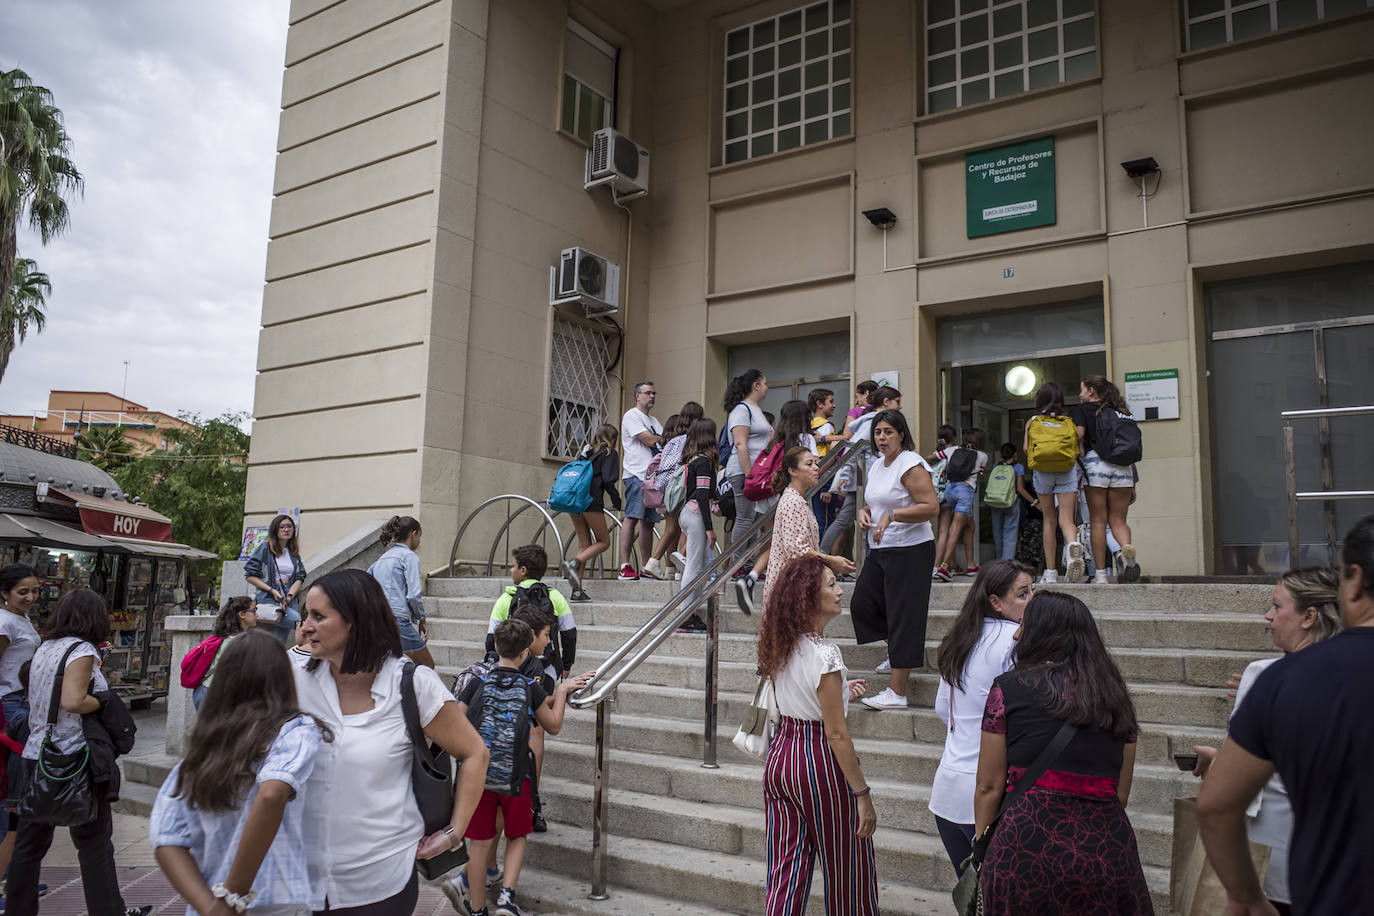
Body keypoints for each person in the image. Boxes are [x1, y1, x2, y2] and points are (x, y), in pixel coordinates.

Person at [1197, 514, 1374, 916]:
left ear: (1357, 578)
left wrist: (1246, 896)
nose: (1268, 616)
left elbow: (1216, 805)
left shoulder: (1286, 679)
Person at [293, 569, 490, 914]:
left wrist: (455, 831)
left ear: (355, 620)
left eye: (318, 616)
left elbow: (475, 753)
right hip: (299, 878)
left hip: (382, 882)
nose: (305, 626)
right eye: (305, 615)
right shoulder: (292, 677)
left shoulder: (412, 684)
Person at [973, 591, 1152, 915]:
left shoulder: (1007, 688)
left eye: (1024, 624)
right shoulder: (1116, 697)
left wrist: (981, 848)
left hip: (1025, 847)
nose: (1015, 633)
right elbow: (1121, 793)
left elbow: (988, 786)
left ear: (1042, 633)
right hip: (1105, 849)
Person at [1189, 567, 1342, 915]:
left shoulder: (1276, 676)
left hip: (1293, 845)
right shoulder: (1261, 672)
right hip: (1260, 842)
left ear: (1309, 616)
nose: (1268, 615)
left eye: (1276, 606)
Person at [151, 629, 330, 916]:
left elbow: (167, 838)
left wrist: (210, 907)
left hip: (209, 904)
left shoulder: (203, 748)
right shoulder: (295, 732)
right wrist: (231, 897)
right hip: (275, 903)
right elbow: (272, 793)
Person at [6, 590, 154, 916]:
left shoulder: (45, 648)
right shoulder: (81, 650)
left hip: (37, 755)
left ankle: (19, 910)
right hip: (74, 758)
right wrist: (102, 701)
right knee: (94, 845)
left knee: (30, 846)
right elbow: (73, 701)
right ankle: (108, 911)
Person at [758, 555, 877, 915]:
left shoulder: (781, 645)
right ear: (808, 597)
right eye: (831, 585)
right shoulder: (825, 653)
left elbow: (802, 695)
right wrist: (862, 793)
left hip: (781, 758)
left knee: (785, 872)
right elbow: (836, 734)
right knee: (849, 870)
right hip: (818, 762)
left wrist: (843, 692)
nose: (840, 591)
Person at [455, 619, 594, 916]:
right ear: (525, 654)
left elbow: (456, 724)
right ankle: (506, 898)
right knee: (516, 835)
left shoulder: (477, 682)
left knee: (479, 844)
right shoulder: (529, 686)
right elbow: (553, 726)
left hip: (480, 776)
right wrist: (563, 690)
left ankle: (478, 909)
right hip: (517, 776)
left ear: (495, 646)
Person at [929, 560, 1031, 872]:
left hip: (947, 791)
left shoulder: (961, 638)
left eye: (1032, 591)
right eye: (1023, 594)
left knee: (973, 898)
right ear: (996, 602)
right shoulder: (1016, 641)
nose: (1032, 601)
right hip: (989, 798)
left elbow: (941, 709)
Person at [852, 409, 940, 711]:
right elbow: (871, 502)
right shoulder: (877, 465)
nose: (881, 437)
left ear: (901, 434)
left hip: (911, 550)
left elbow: (931, 507)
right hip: (881, 549)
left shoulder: (911, 464)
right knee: (862, 604)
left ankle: (897, 692)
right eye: (878, 432)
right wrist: (864, 513)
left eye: (888, 431)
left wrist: (893, 516)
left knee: (904, 617)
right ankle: (897, 650)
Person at [736, 399, 817, 614]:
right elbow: (816, 465)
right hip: (788, 496)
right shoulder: (805, 440)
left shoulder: (774, 441)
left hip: (768, 495)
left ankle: (754, 578)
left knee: (772, 541)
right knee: (786, 543)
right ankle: (757, 578)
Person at [760, 447, 854, 610]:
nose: (816, 468)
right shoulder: (793, 502)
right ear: (792, 471)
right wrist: (832, 560)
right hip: (788, 590)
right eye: (809, 464)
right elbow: (796, 549)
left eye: (816, 463)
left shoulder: (796, 500)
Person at [819, 386, 902, 557]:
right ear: (886, 402)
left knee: (851, 519)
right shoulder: (873, 422)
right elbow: (853, 449)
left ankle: (824, 553)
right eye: (898, 402)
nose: (900, 406)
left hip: (864, 480)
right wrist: (845, 475)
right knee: (865, 518)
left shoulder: (872, 421)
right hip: (865, 481)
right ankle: (825, 553)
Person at [1075, 375, 1141, 583]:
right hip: (1124, 470)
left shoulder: (1084, 411)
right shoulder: (1123, 412)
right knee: (1119, 521)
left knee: (1097, 521)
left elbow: (1078, 435)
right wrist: (1133, 484)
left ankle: (1101, 575)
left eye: (1082, 389)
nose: (1080, 394)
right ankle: (1125, 551)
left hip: (1096, 466)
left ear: (1092, 391)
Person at [0, 564, 40, 885]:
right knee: (11, 794)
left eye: (34, 591)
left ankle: (14, 876)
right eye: (22, 591)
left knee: (17, 790)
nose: (30, 597)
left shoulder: (20, 619)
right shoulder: (4, 622)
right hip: (9, 707)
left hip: (22, 705)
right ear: (5, 593)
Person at [1023, 382, 1083, 584]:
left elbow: (1025, 448)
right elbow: (1077, 451)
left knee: (1049, 519)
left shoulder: (1033, 421)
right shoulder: (1068, 421)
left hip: (1043, 473)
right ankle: (1073, 546)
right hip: (1066, 471)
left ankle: (1050, 573)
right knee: (1067, 520)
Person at [486, 546, 577, 678]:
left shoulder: (506, 598)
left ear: (523, 570)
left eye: (513, 566)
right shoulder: (555, 596)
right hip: (548, 665)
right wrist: (566, 665)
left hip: (514, 666)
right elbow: (569, 634)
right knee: (543, 697)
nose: (511, 570)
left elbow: (491, 638)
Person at [642, 404, 704, 582]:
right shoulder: (692, 440)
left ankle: (670, 569)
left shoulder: (674, 441)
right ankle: (653, 562)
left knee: (675, 528)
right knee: (672, 528)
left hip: (666, 489)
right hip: (680, 489)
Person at [368, 515, 434, 667]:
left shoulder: (381, 559)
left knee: (389, 667)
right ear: (413, 534)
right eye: (420, 536)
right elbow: (413, 595)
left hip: (378, 620)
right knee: (427, 666)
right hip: (397, 620)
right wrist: (421, 618)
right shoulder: (409, 557)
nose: (420, 541)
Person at [565, 423, 621, 601]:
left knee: (584, 546)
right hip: (591, 501)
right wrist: (617, 501)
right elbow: (609, 480)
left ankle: (576, 591)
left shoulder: (586, 452)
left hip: (574, 501)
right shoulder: (608, 453)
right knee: (604, 542)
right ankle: (574, 563)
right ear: (613, 439)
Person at [677, 417, 723, 632]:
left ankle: (691, 612)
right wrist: (709, 528)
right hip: (695, 516)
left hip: (688, 513)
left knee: (701, 565)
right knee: (695, 566)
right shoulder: (703, 462)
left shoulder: (693, 459)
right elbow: (703, 496)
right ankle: (684, 616)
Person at [618, 381, 664, 580]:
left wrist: (661, 437)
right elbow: (650, 440)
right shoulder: (631, 416)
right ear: (638, 396)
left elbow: (662, 442)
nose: (652, 396)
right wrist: (661, 437)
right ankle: (624, 565)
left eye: (654, 393)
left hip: (654, 478)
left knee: (648, 522)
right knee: (632, 517)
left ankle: (646, 566)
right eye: (648, 393)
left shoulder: (654, 420)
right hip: (637, 475)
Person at [722, 369, 773, 545]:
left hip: (755, 472)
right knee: (745, 518)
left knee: (755, 518)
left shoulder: (755, 409)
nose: (767, 387)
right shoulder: (741, 410)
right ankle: (739, 565)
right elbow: (740, 443)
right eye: (765, 383)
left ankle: (747, 565)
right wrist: (749, 473)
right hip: (744, 471)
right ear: (756, 385)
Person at [931, 427, 989, 581]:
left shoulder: (953, 450)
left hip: (950, 491)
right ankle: (944, 567)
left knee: (970, 526)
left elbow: (933, 457)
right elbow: (979, 474)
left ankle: (971, 566)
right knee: (955, 528)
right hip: (965, 491)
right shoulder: (982, 456)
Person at [244, 514, 307, 643]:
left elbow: (300, 577)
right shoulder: (265, 549)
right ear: (275, 530)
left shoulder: (293, 552)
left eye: (289, 526)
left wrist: (289, 596)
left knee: (280, 639)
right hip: (269, 597)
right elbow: (250, 576)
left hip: (289, 599)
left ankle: (274, 660)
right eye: (282, 527)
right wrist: (271, 590)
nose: (286, 530)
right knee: (301, 624)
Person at [192, 596, 259, 709]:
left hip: (206, 690)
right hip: (217, 694)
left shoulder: (227, 637)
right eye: (254, 610)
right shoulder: (239, 641)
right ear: (241, 615)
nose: (257, 615)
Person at [987, 443, 1033, 561]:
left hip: (995, 502)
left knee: (997, 533)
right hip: (1011, 503)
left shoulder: (995, 466)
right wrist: (1034, 502)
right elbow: (1020, 489)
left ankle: (999, 562)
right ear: (1015, 454)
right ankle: (1007, 563)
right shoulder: (1018, 468)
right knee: (1010, 534)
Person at [807, 388, 841, 536]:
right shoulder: (826, 426)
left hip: (813, 477)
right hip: (824, 479)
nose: (834, 405)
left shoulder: (809, 426)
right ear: (820, 404)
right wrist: (827, 487)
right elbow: (826, 459)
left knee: (819, 520)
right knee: (826, 522)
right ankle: (823, 557)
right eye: (831, 401)